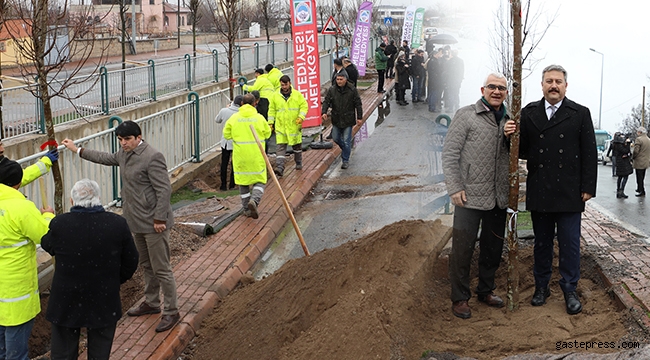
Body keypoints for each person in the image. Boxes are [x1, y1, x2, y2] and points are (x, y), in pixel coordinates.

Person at [61, 121, 180, 332]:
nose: (123, 144)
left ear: (138, 137)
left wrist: (160, 219)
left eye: (126, 140)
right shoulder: (124, 154)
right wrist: (77, 149)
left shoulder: (152, 156)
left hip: (154, 224)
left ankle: (172, 312)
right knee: (146, 265)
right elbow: (105, 158)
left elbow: (164, 190)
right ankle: (152, 303)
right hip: (136, 220)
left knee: (161, 268)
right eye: (120, 140)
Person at [504, 64, 598, 315]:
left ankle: (569, 289)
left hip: (570, 192)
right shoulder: (529, 112)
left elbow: (589, 153)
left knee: (569, 245)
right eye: (549, 81)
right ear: (542, 85)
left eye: (558, 81)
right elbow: (521, 150)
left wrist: (588, 187)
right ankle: (541, 287)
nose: (553, 85)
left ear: (566, 86)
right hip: (540, 189)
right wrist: (509, 135)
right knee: (542, 244)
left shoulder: (580, 113)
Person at [41, 179, 139, 360]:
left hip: (66, 300)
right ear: (99, 199)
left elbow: (47, 244)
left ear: (72, 201)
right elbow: (131, 260)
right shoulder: (117, 224)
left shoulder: (60, 224)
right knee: (100, 352)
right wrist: (113, 280)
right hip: (104, 298)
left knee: (63, 353)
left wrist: (48, 217)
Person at [442, 73, 510, 319]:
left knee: (493, 248)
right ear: (483, 89)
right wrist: (454, 187)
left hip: (497, 197)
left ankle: (486, 290)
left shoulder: (509, 120)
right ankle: (460, 298)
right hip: (468, 196)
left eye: (501, 88)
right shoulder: (466, 115)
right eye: (492, 87)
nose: (496, 91)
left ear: (506, 92)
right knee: (462, 249)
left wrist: (511, 137)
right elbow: (450, 154)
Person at [0, 159, 54, 360]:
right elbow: (46, 236)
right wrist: (47, 216)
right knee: (16, 353)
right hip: (16, 295)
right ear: (17, 184)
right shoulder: (21, 208)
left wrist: (45, 162)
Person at [223, 94, 272, 219]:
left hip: (240, 157)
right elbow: (267, 133)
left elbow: (227, 134)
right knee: (260, 180)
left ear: (242, 104)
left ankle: (246, 209)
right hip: (256, 156)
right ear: (255, 103)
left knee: (243, 183)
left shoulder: (234, 118)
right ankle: (254, 201)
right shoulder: (259, 118)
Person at [321, 72, 363, 170]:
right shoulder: (332, 90)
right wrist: (324, 112)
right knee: (335, 138)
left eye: (341, 79)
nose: (339, 81)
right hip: (336, 119)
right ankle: (345, 149)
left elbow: (358, 104)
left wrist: (359, 117)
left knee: (346, 140)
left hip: (348, 119)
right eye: (337, 79)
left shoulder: (352, 90)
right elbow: (327, 101)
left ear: (345, 80)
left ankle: (345, 160)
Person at [268, 75, 308, 177]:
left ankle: (298, 162)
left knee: (297, 146)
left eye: (285, 85)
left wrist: (301, 117)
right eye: (282, 85)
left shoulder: (297, 95)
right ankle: (280, 167)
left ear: (289, 83)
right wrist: (270, 123)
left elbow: (304, 106)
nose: (284, 87)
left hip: (294, 125)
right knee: (280, 147)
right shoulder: (275, 96)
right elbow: (272, 110)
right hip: (281, 126)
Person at [215, 95, 243, 190]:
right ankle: (232, 184)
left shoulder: (224, 111)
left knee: (224, 163)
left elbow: (217, 120)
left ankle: (223, 185)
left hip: (225, 142)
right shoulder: (241, 113)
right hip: (237, 142)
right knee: (234, 164)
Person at [611, 133, 633, 198]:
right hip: (623, 162)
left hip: (619, 161)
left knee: (620, 177)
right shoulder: (619, 145)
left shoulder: (615, 144)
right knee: (625, 176)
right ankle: (621, 191)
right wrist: (628, 144)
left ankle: (618, 191)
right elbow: (626, 151)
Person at [632, 126, 650, 196]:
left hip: (639, 161)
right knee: (642, 176)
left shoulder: (639, 139)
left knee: (639, 177)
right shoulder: (648, 139)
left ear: (640, 132)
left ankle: (641, 190)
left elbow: (636, 151)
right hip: (646, 161)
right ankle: (640, 188)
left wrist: (633, 157)